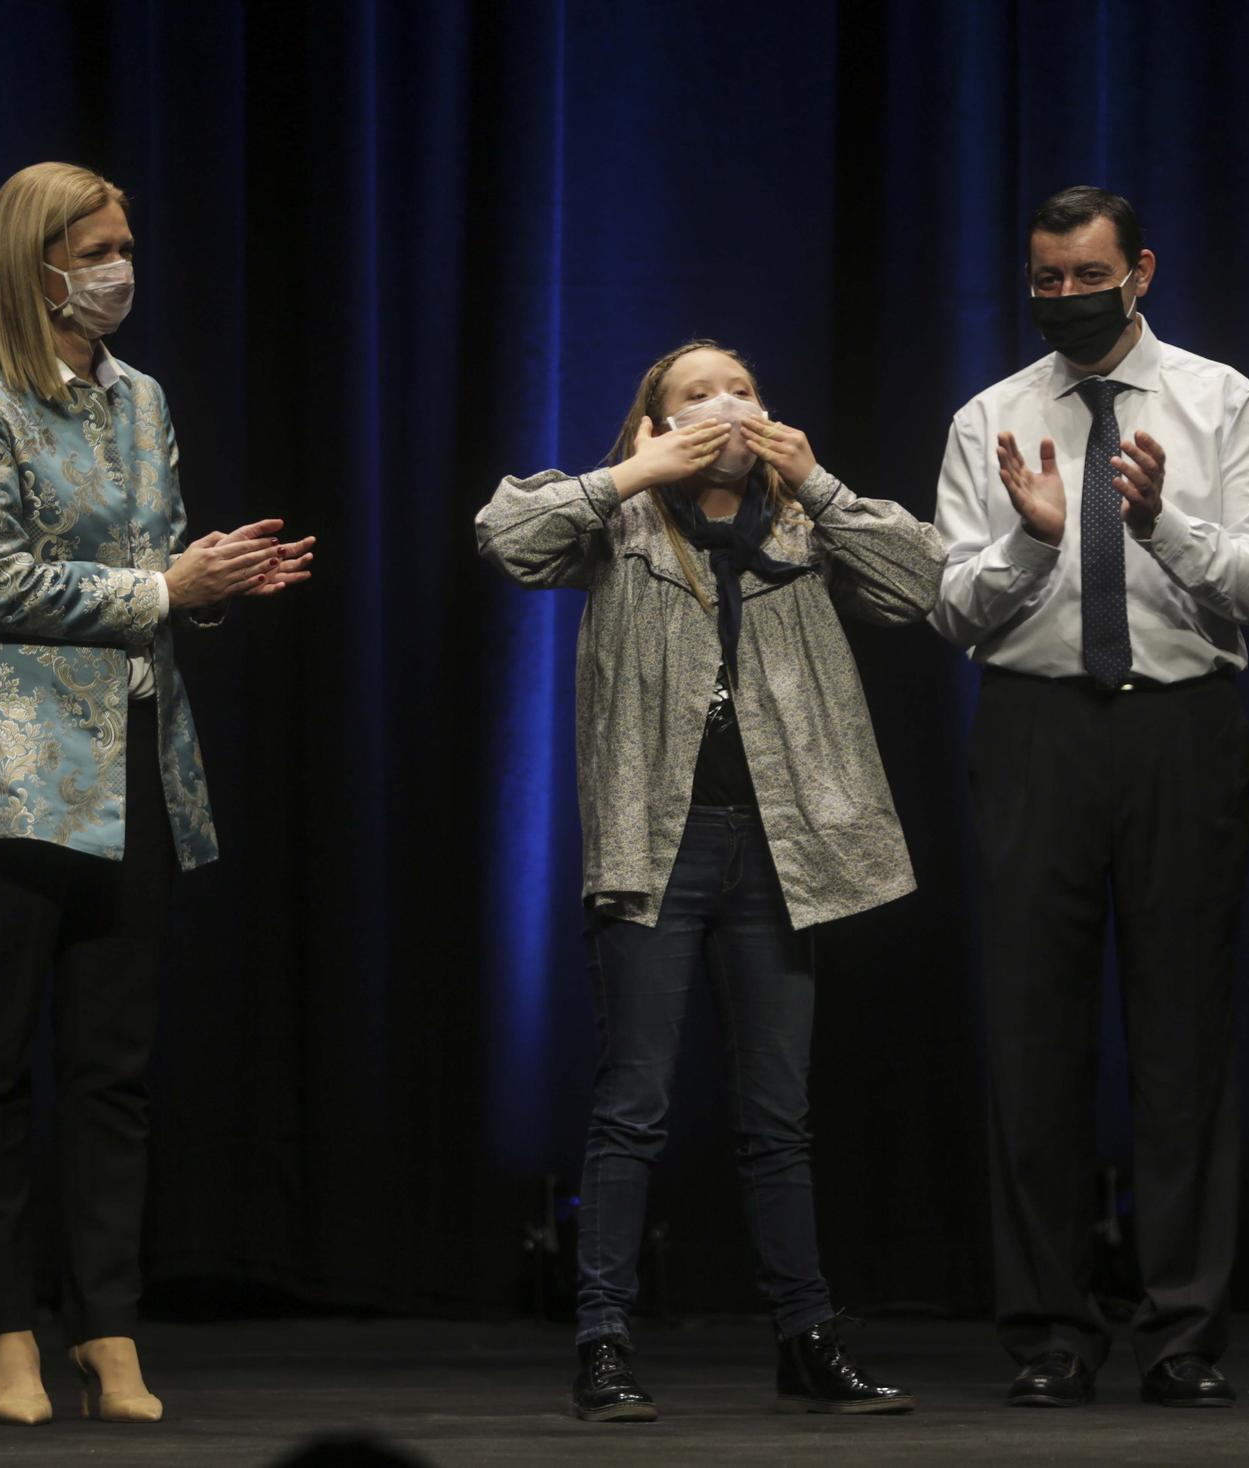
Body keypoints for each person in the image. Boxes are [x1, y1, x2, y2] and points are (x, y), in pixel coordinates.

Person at [0, 162, 314, 1425]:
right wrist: (163, 592)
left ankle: (110, 1330)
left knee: (112, 1070)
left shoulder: (140, 400)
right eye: (100, 246)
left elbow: (158, 555)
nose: (121, 267)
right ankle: (8, 1333)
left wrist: (214, 574)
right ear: (40, 263)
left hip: (135, 765)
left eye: (125, 244)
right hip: (14, 778)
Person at [476, 341, 945, 1422]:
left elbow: (919, 582)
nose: (725, 407)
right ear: (654, 422)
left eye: (740, 390)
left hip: (779, 851)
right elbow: (502, 535)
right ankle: (601, 1342)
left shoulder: (800, 526)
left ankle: (805, 1338)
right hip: (659, 845)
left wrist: (818, 480)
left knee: (777, 1114)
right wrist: (629, 475)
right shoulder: (621, 524)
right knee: (632, 1101)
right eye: (696, 395)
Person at [928, 186, 1249, 1409]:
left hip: (1178, 730)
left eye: (1088, 276)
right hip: (1034, 735)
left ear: (1139, 268)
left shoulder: (1218, 399)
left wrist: (1163, 522)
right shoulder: (991, 415)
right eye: (1045, 281)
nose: (1066, 299)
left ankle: (1180, 1331)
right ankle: (1047, 1334)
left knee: (1182, 1040)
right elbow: (949, 606)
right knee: (1032, 1040)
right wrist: (1034, 539)